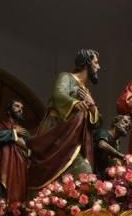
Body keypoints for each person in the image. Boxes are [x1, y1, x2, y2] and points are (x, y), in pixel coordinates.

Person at [28, 49, 101, 190]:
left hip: (75, 137)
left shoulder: (86, 91)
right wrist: (75, 103)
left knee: (84, 171)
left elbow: (96, 122)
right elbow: (58, 95)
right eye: (96, 63)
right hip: (57, 132)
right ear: (87, 63)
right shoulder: (66, 77)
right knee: (56, 173)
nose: (99, 67)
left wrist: (92, 105)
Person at [0, 99, 31, 204]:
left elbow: (32, 149)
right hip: (3, 165)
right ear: (8, 111)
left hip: (20, 169)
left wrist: (25, 148)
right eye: (17, 106)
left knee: (18, 197)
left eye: (21, 108)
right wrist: (13, 134)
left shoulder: (25, 132)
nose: (20, 109)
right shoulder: (0, 126)